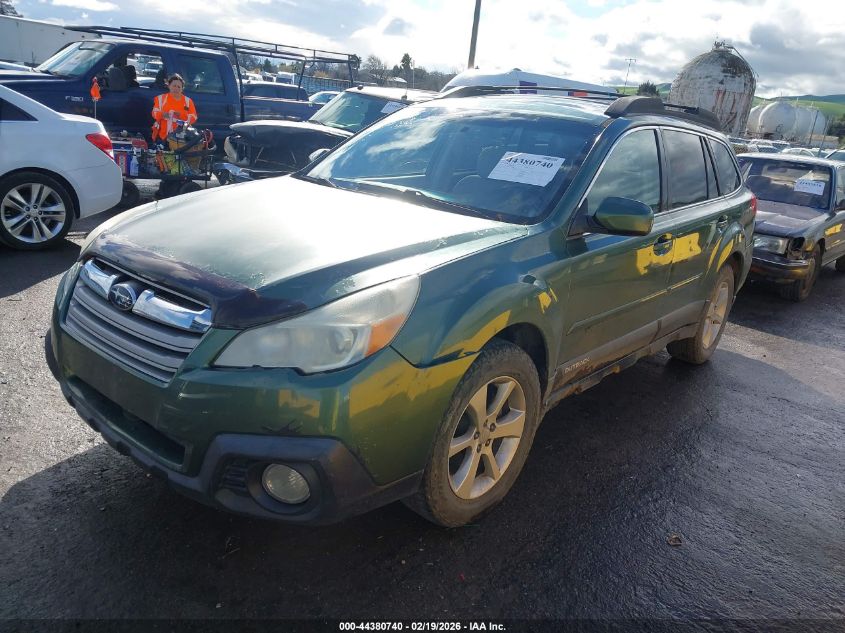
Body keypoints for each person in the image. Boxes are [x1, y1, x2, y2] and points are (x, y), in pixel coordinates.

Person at [151, 74, 198, 142]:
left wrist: (181, 115)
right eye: (174, 86)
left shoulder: (188, 101)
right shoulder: (161, 98)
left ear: (182, 89)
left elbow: (194, 117)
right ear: (169, 86)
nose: (176, 88)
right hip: (163, 136)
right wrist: (162, 114)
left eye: (179, 87)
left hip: (181, 138)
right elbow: (154, 113)